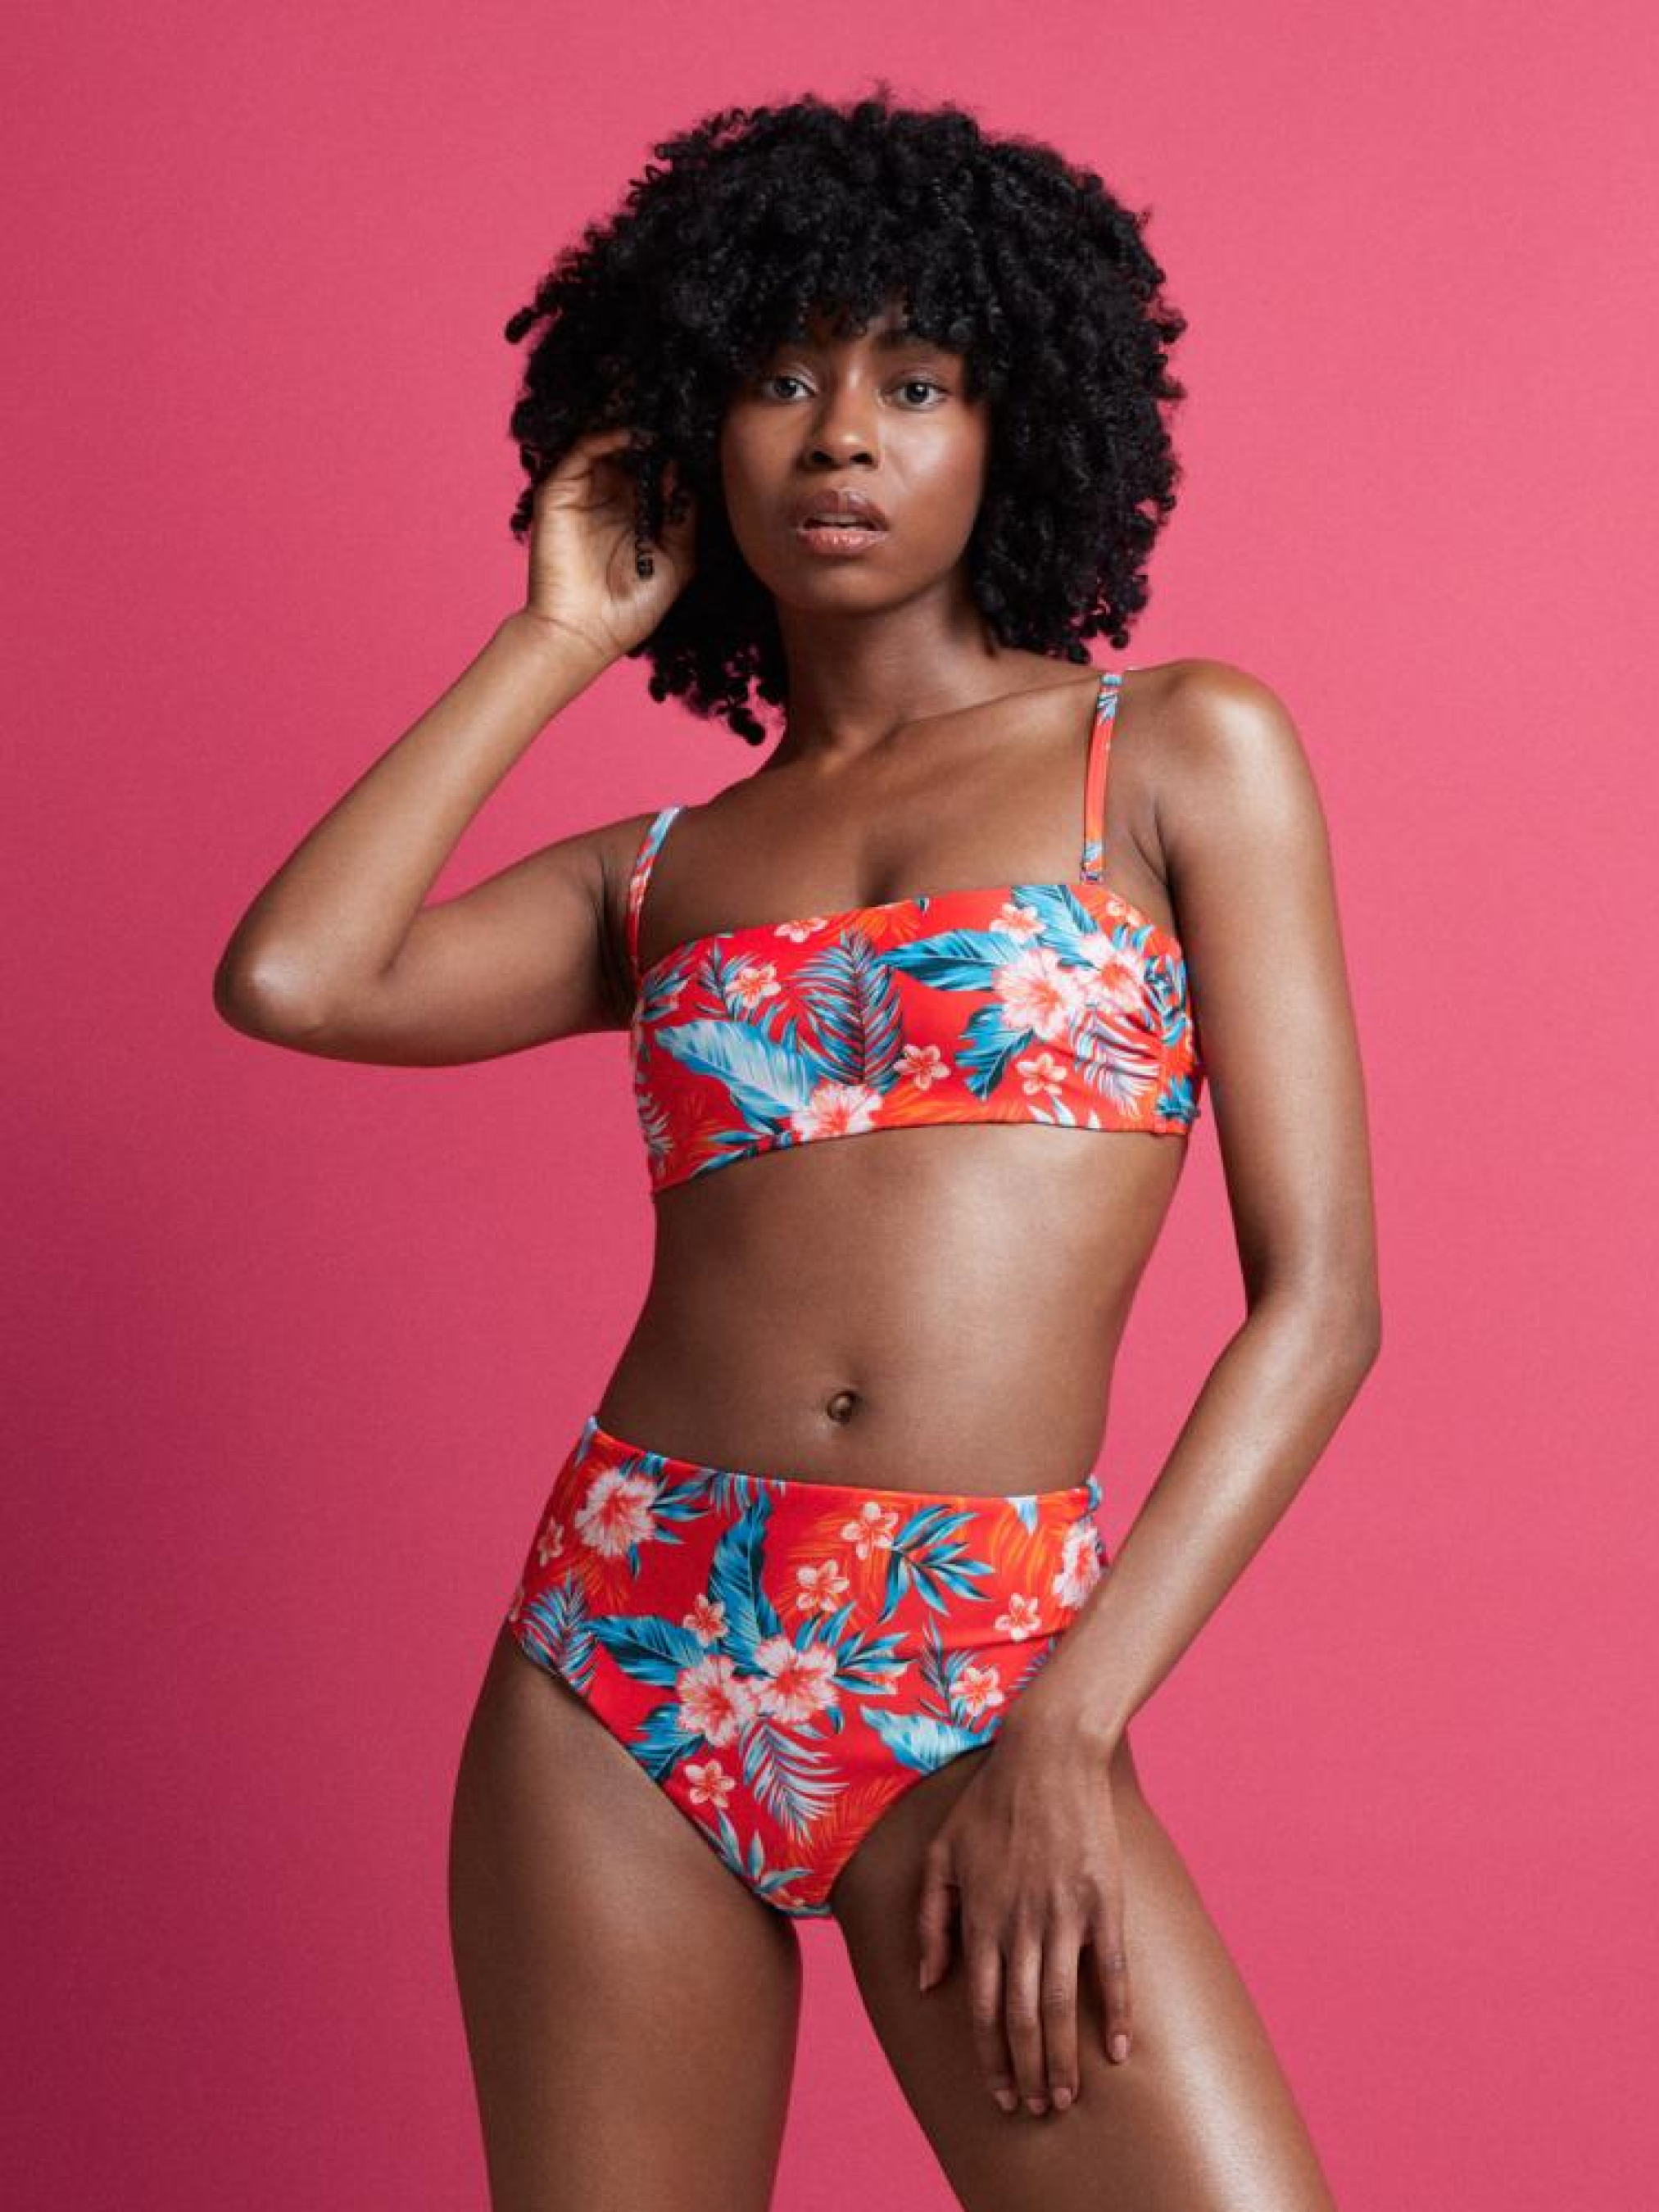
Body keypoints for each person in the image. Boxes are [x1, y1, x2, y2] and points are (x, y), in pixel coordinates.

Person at [215, 87, 1380, 2212]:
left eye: (913, 384)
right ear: (692, 431)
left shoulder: (1168, 751)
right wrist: (560, 634)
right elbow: (297, 979)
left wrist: (1068, 1727)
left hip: (986, 1663)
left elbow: (1321, 1306)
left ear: (1014, 424)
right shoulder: (661, 869)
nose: (841, 436)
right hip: (621, 1644)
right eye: (778, 379)